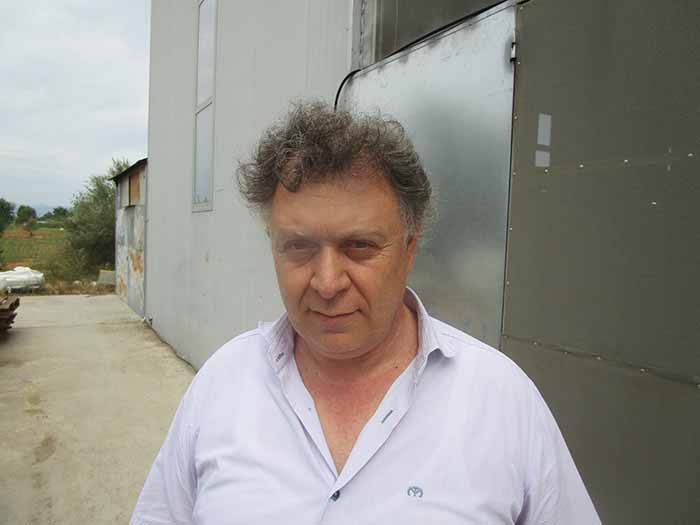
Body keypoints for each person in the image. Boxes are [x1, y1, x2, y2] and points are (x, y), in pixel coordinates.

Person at [131, 101, 600, 524]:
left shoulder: (502, 401)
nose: (327, 282)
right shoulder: (221, 386)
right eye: (298, 247)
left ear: (410, 247)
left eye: (359, 246)